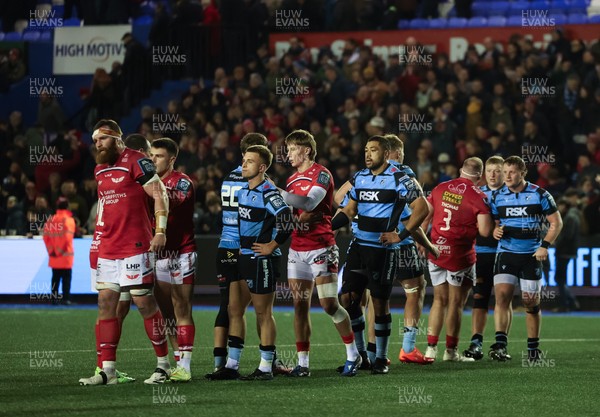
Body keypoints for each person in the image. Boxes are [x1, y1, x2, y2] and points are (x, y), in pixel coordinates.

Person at [79, 119, 171, 386]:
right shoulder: (99, 169)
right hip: (109, 246)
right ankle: (107, 370)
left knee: (144, 303)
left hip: (135, 245)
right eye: (95, 140)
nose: (98, 144)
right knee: (106, 304)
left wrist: (160, 230)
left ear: (117, 139)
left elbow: (160, 192)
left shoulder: (136, 160)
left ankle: (163, 365)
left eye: (103, 139)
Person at [334, 134, 438, 368]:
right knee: (348, 298)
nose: (368, 154)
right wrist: (325, 228)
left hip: (384, 249)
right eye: (366, 150)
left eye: (373, 150)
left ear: (387, 153)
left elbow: (422, 208)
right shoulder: (360, 177)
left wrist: (399, 235)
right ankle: (362, 356)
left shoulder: (400, 177)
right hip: (359, 245)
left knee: (380, 302)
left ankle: (379, 357)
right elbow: (346, 206)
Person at [279, 129, 361, 377]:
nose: (288, 153)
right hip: (297, 250)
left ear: (306, 150)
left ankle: (353, 354)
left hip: (321, 247)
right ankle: (302, 364)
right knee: (299, 305)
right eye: (288, 148)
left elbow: (309, 204)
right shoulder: (291, 180)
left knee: (328, 304)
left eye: (292, 148)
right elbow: (294, 215)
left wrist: (276, 192)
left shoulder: (322, 175)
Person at [207, 145, 292, 381]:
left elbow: (287, 220)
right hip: (244, 256)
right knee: (235, 309)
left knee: (263, 313)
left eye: (250, 161)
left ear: (262, 167)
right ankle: (232, 366)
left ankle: (266, 367)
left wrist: (272, 246)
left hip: (262, 259)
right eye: (244, 160)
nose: (244, 165)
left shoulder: (269, 192)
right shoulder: (243, 192)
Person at [489, 156, 563, 362]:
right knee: (502, 297)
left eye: (511, 172)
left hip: (531, 255)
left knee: (530, 302)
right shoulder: (498, 196)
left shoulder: (540, 194)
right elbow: (496, 222)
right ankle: (501, 346)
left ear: (523, 173)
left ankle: (533, 349)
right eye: (505, 172)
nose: (507, 176)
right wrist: (496, 230)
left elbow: (556, 223)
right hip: (506, 252)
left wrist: (544, 246)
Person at [208, 133, 269, 374]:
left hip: (225, 245)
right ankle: (267, 359)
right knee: (261, 308)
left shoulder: (227, 178)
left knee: (229, 306)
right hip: (247, 247)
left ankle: (222, 364)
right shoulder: (254, 179)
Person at [423, 157, 494, 363]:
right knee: (455, 303)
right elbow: (485, 230)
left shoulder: (440, 188)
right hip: (460, 255)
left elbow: (426, 216)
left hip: (436, 250)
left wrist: (423, 241)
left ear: (461, 170)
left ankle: (430, 350)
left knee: (438, 300)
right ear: (479, 176)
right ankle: (451, 352)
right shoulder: (479, 196)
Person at [150, 138, 197, 382]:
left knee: (181, 307)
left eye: (158, 156)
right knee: (165, 312)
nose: (153, 160)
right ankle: (175, 361)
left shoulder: (182, 182)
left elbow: (171, 202)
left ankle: (185, 367)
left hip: (181, 252)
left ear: (171, 159)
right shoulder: (147, 184)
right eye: (151, 155)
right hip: (157, 255)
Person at [464, 156, 508, 360]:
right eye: (489, 170)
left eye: (497, 170)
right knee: (479, 298)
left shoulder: (511, 194)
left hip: (504, 253)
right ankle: (476, 343)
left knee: (502, 299)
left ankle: (500, 344)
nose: (492, 174)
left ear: (504, 173)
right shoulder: (477, 194)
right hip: (481, 253)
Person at [42, 197, 75, 305]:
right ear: (67, 206)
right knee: (66, 279)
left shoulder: (51, 219)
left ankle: (54, 299)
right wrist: (60, 251)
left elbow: (45, 237)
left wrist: (52, 251)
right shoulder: (69, 220)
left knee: (55, 278)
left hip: (54, 255)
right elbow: (67, 238)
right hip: (65, 255)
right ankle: (66, 299)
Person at [553, 198, 581, 312]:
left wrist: (555, 243)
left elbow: (566, 236)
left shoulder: (569, 217)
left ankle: (565, 304)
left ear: (565, 206)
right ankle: (572, 302)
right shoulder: (573, 216)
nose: (558, 208)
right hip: (568, 251)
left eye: (560, 205)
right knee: (561, 278)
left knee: (559, 278)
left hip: (564, 252)